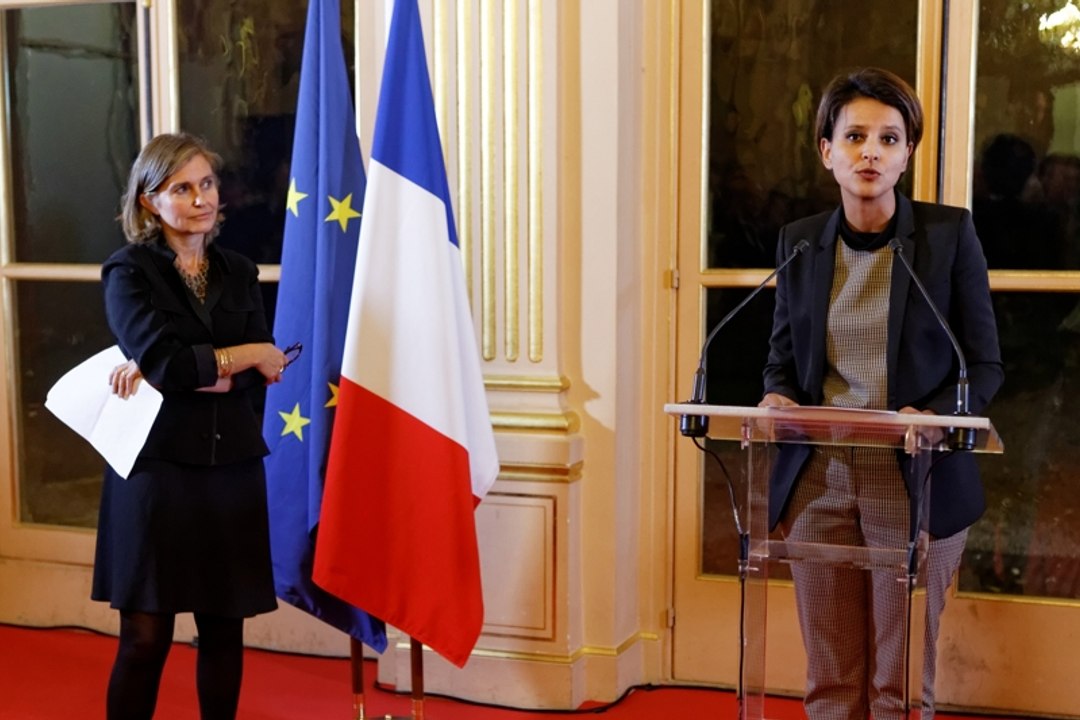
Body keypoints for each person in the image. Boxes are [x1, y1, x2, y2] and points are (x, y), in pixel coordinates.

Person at [759, 68, 1003, 720]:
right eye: (855, 135)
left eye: (889, 138)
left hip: (915, 478)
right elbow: (782, 362)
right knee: (831, 682)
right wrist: (776, 399)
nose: (871, 151)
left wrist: (940, 416)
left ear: (908, 153)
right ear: (826, 150)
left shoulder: (948, 238)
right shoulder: (801, 243)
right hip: (819, 482)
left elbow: (984, 364)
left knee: (896, 688)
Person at [92, 132, 289, 720]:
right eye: (182, 187)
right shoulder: (127, 271)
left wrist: (208, 366)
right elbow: (173, 366)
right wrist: (243, 351)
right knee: (145, 638)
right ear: (151, 201)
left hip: (229, 470)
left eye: (206, 183)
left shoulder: (238, 268)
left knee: (224, 633)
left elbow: (254, 375)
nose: (201, 198)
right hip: (155, 474)